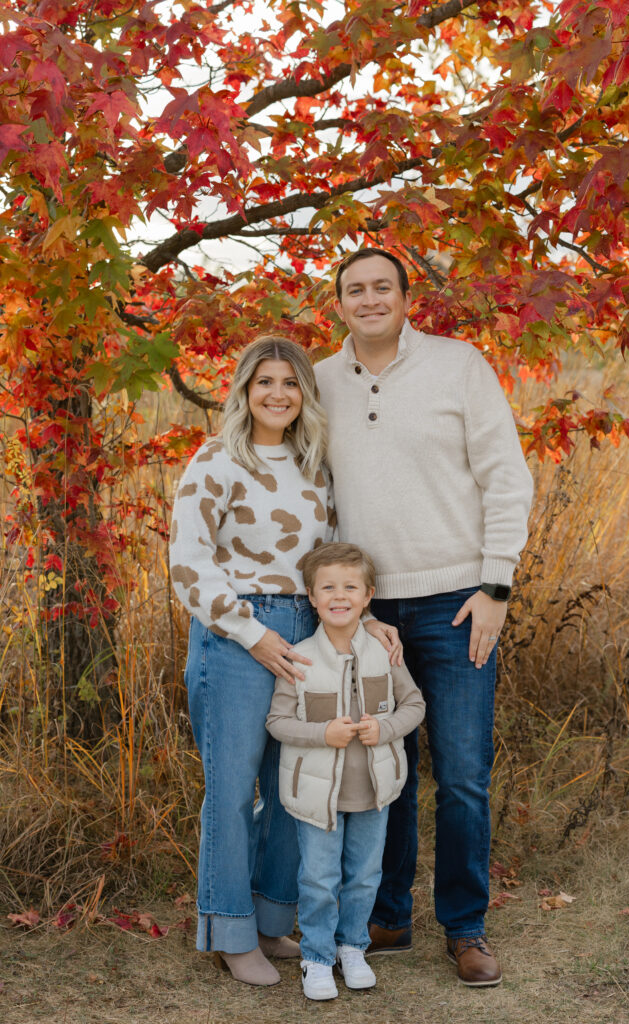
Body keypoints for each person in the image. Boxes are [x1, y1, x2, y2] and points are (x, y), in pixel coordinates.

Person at [314, 249, 534, 987]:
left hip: (456, 601)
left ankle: (465, 927)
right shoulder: (318, 382)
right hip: (369, 610)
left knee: (464, 772)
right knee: (387, 767)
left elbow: (505, 473)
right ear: (338, 304)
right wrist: (347, 608)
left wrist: (495, 586)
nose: (368, 299)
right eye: (354, 290)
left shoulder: (457, 364)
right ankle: (388, 915)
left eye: (382, 287)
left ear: (406, 298)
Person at [170, 336, 401, 987]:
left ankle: (271, 922)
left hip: (307, 630)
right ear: (244, 390)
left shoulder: (313, 465)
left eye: (290, 383)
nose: (277, 394)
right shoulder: (216, 461)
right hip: (236, 634)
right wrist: (249, 632)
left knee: (291, 783)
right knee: (233, 785)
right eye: (264, 381)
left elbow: (333, 562)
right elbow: (188, 562)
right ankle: (229, 930)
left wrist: (363, 618)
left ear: (305, 394)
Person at [266, 542, 425, 1000]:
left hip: (374, 791)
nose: (340, 596)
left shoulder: (384, 652)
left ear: (368, 595)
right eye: (328, 587)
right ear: (312, 597)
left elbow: (414, 704)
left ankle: (351, 947)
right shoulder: (299, 658)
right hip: (318, 797)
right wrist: (322, 734)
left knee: (364, 875)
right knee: (319, 879)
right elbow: (277, 722)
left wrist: (387, 726)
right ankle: (316, 957)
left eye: (350, 587)